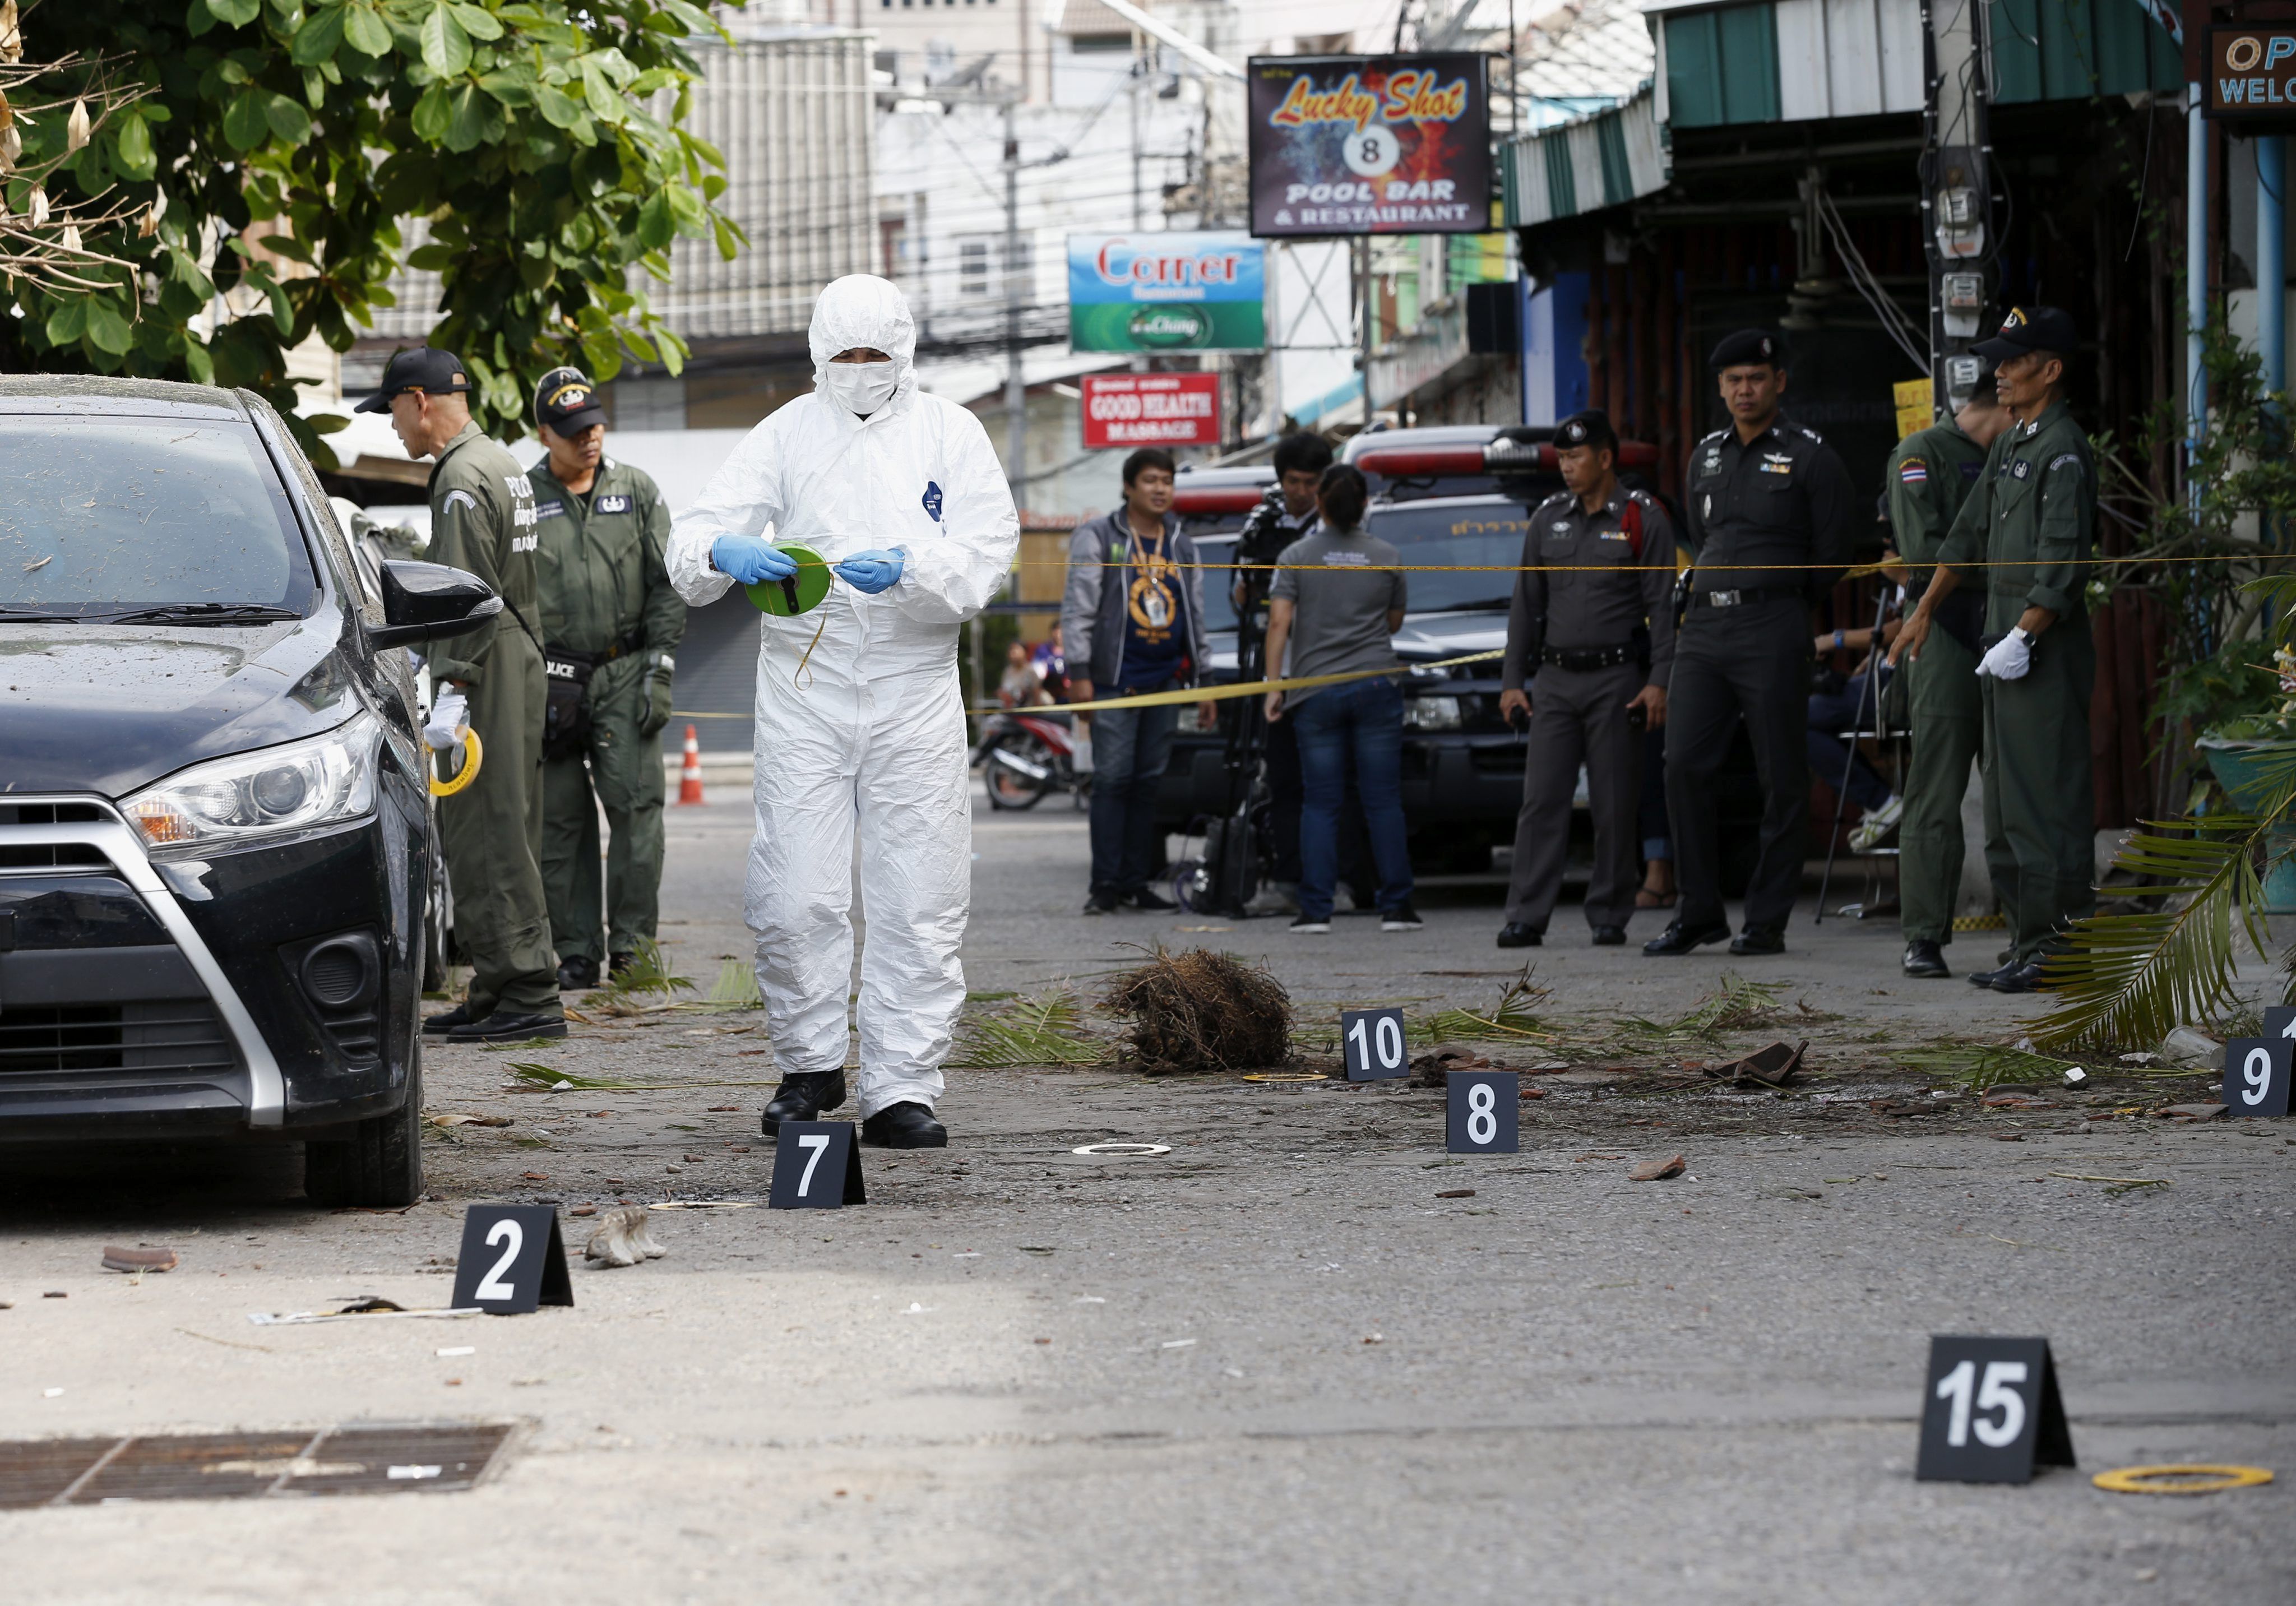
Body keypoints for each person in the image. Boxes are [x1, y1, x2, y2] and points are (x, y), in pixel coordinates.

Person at [666, 274, 1018, 1149]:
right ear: (820, 355)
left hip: (913, 680)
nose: (862, 371)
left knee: (919, 889)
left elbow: (988, 550)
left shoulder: (952, 432)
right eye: (846, 356)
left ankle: (901, 1083)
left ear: (904, 354)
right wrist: (723, 548)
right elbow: (691, 541)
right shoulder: (783, 435)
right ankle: (810, 1064)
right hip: (805, 679)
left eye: (877, 356)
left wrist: (914, 567)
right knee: (795, 888)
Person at [359, 347, 563, 1042]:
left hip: (484, 662)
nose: (391, 427)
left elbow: (463, 599)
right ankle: (503, 982)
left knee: (489, 830)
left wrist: (454, 685)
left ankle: (528, 989)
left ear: (418, 400)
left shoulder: (460, 481)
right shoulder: (501, 463)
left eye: (391, 409)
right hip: (516, 652)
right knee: (508, 821)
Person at [1892, 307, 2094, 994]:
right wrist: (1923, 610)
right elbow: (1965, 535)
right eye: (1997, 362)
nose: (1998, 373)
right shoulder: (2013, 444)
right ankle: (2026, 942)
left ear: (2050, 370)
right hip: (1999, 643)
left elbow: (2062, 565)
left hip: (2038, 647)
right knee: (2006, 808)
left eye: (2013, 361)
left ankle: (2059, 947)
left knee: (2045, 804)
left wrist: (2022, 635)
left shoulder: (2062, 450)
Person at [1647, 330, 1854, 958]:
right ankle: (1698, 911)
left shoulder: (1811, 456)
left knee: (1781, 776)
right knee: (1682, 764)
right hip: (1705, 629)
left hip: (1772, 627)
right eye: (1734, 380)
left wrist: (1779, 601)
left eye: (1756, 378)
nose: (1745, 390)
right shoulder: (1704, 456)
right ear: (1720, 387)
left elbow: (1833, 556)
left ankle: (1765, 920)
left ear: (1779, 382)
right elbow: (1702, 530)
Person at [526, 365, 684, 992]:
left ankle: (631, 948)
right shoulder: (521, 497)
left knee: (637, 811)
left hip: (625, 670)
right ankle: (574, 951)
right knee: (560, 822)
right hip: (553, 680)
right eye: (572, 430)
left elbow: (667, 581)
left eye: (594, 424)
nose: (589, 438)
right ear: (545, 434)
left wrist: (661, 665)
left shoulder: (638, 490)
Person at [1496, 410, 1677, 948]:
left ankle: (1609, 911)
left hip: (1618, 677)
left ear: (1605, 458)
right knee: (1542, 800)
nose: (1568, 467)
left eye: (1577, 457)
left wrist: (1660, 679)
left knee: (1614, 800)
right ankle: (1526, 914)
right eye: (1563, 459)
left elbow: (1663, 608)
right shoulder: (1548, 517)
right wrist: (1512, 681)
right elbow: (1525, 606)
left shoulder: (1643, 517)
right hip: (1554, 679)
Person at [1883, 372, 2012, 978]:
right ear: (1998, 403)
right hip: (1942, 631)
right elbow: (1923, 551)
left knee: (2016, 787)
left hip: (2012, 628)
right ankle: (1924, 935)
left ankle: (2031, 932)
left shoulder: (2016, 452)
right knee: (1936, 788)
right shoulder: (1922, 454)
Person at [1263, 462, 1419, 934]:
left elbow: (1278, 625)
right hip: (1376, 687)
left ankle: (1316, 909)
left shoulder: (1295, 555)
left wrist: (1275, 688)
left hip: (1315, 691)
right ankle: (1398, 907)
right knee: (1383, 800)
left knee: (1321, 802)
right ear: (1365, 503)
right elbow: (1393, 624)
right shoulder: (1388, 555)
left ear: (1321, 503)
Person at [1060, 447, 1216, 915]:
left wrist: (1205, 679)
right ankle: (1105, 884)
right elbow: (1078, 608)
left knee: (1148, 783)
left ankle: (1137, 882)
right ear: (1129, 487)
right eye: (1150, 480)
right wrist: (1080, 675)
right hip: (1113, 683)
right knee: (1112, 780)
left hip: (1166, 681)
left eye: (1166, 480)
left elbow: (1198, 616)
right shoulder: (1099, 536)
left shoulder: (1182, 545)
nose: (1160, 488)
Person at [1234, 432, 1338, 912]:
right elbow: (1240, 592)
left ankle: (1340, 879)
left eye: (1311, 482)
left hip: (1327, 666)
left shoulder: (1342, 519)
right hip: (1276, 669)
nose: (1301, 491)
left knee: (1335, 782)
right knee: (1283, 780)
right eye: (1293, 481)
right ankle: (1288, 877)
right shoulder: (1261, 522)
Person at [1806, 609, 1901, 853]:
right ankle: (1880, 803)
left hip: (1900, 680)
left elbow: (1900, 627)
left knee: (1799, 720)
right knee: (1808, 716)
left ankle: (1881, 802)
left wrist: (1833, 639)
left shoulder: (1913, 575)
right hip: (1891, 671)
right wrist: (1878, 656)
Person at [998, 640, 1044, 707]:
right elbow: (1004, 691)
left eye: (1017, 649)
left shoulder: (1030, 671)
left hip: (1027, 713)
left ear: (1025, 652)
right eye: (1011, 650)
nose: (1014, 653)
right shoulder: (1007, 671)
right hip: (1010, 712)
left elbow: (1037, 695)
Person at [1030, 623, 1068, 703]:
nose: (1058, 634)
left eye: (1061, 630)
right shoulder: (1042, 651)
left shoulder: (1073, 649)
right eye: (1056, 630)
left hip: (1069, 691)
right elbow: (1036, 674)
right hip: (1047, 692)